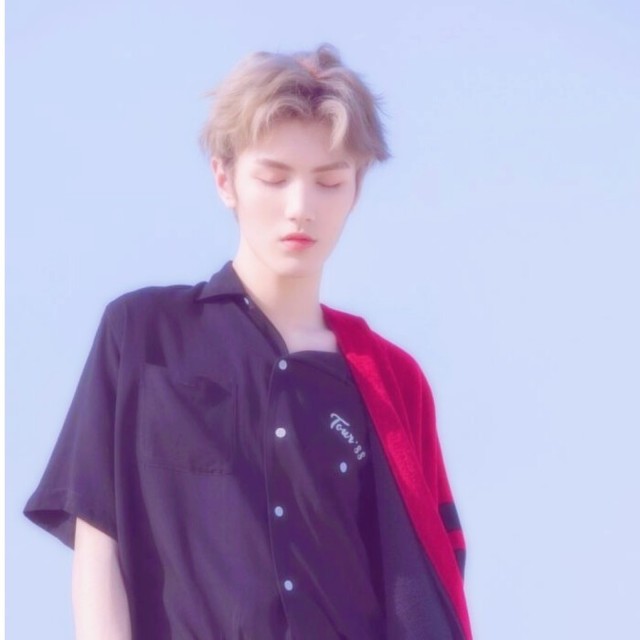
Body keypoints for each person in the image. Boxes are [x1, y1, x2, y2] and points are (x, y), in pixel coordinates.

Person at [24, 43, 472, 640]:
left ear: (356, 190)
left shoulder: (390, 380)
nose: (301, 208)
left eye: (329, 181)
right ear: (224, 178)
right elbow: (98, 546)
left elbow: (425, 575)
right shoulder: (143, 336)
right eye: (274, 178)